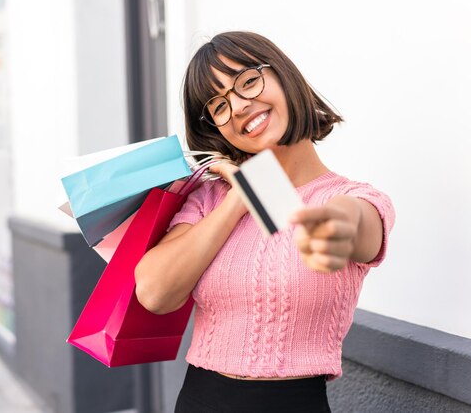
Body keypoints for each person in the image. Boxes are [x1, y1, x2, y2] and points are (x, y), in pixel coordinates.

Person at [135, 31, 395, 413]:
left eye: (247, 81)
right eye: (219, 105)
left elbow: (358, 223)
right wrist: (241, 196)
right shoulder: (208, 199)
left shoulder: (354, 198)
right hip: (199, 400)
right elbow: (155, 293)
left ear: (283, 76)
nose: (238, 106)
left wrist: (337, 226)